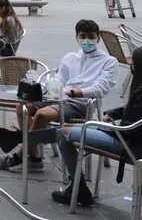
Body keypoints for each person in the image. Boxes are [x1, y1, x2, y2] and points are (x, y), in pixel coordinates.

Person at [0, 19, 118, 172]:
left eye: (91, 36)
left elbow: (101, 88)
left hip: (83, 103)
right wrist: (48, 90)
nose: (87, 40)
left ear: (98, 38)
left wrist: (76, 92)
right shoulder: (70, 58)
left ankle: (17, 153)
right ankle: (34, 157)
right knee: (22, 107)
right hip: (60, 99)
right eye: (83, 36)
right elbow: (58, 80)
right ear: (77, 37)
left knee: (42, 114)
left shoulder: (108, 62)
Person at [52, 46, 142, 207]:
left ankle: (79, 189)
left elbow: (133, 129)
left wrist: (112, 128)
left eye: (134, 64)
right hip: (128, 138)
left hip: (128, 144)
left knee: (63, 132)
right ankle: (78, 188)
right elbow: (131, 111)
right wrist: (112, 114)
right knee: (67, 128)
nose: (132, 67)